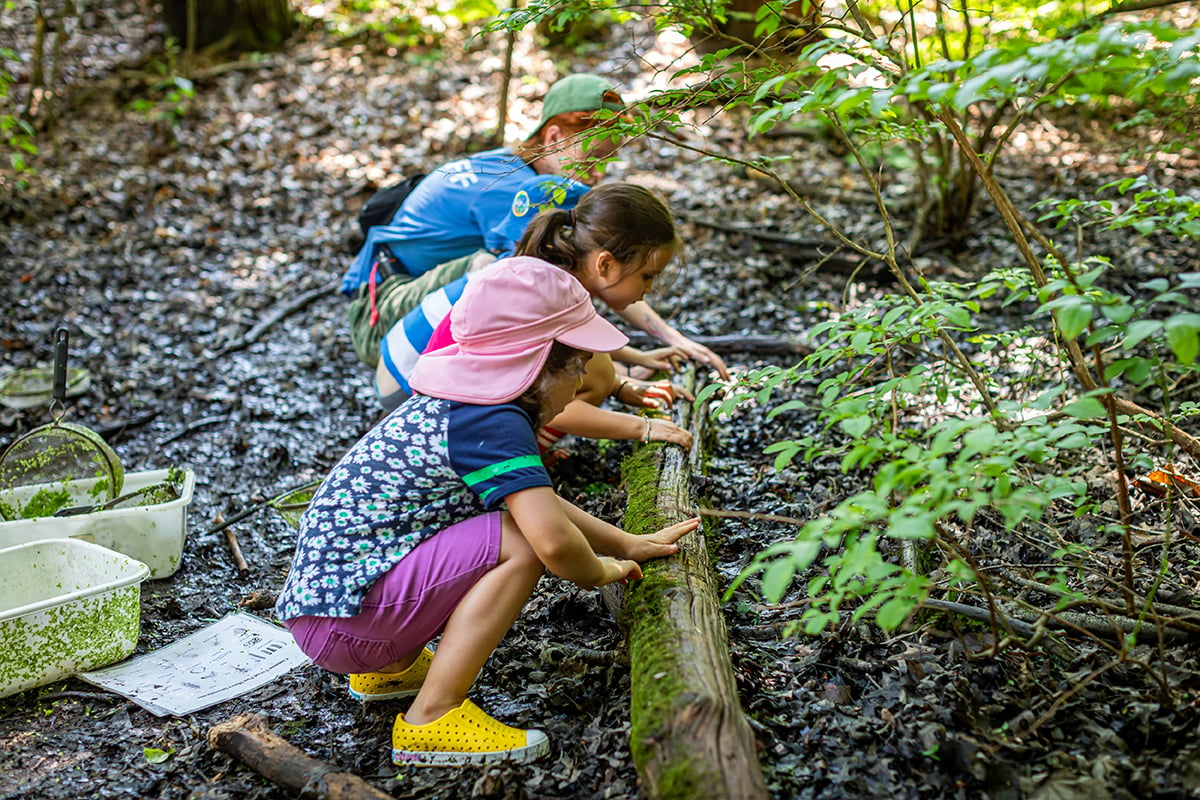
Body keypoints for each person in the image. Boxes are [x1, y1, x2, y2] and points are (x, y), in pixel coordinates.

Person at [276, 259, 699, 766]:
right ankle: (431, 718)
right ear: (541, 364)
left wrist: (624, 542)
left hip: (331, 614)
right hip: (348, 625)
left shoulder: (468, 402)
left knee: (513, 524)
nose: (586, 379)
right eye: (580, 365)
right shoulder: (493, 421)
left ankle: (391, 670)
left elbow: (536, 500)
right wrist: (602, 570)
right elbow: (552, 541)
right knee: (519, 544)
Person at [341, 72, 731, 382]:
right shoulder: (520, 190)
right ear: (554, 136)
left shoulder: (511, 165)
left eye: (608, 161)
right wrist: (639, 358)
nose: (597, 174)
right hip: (383, 323)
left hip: (400, 302)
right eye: (592, 157)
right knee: (522, 270)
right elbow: (598, 275)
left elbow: (610, 273)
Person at [375, 182, 697, 449]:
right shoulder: (546, 293)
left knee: (594, 367)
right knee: (593, 371)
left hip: (416, 368)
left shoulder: (554, 274)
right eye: (648, 276)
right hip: (411, 383)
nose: (650, 290)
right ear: (605, 264)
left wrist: (622, 384)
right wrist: (642, 427)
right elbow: (552, 404)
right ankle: (518, 465)